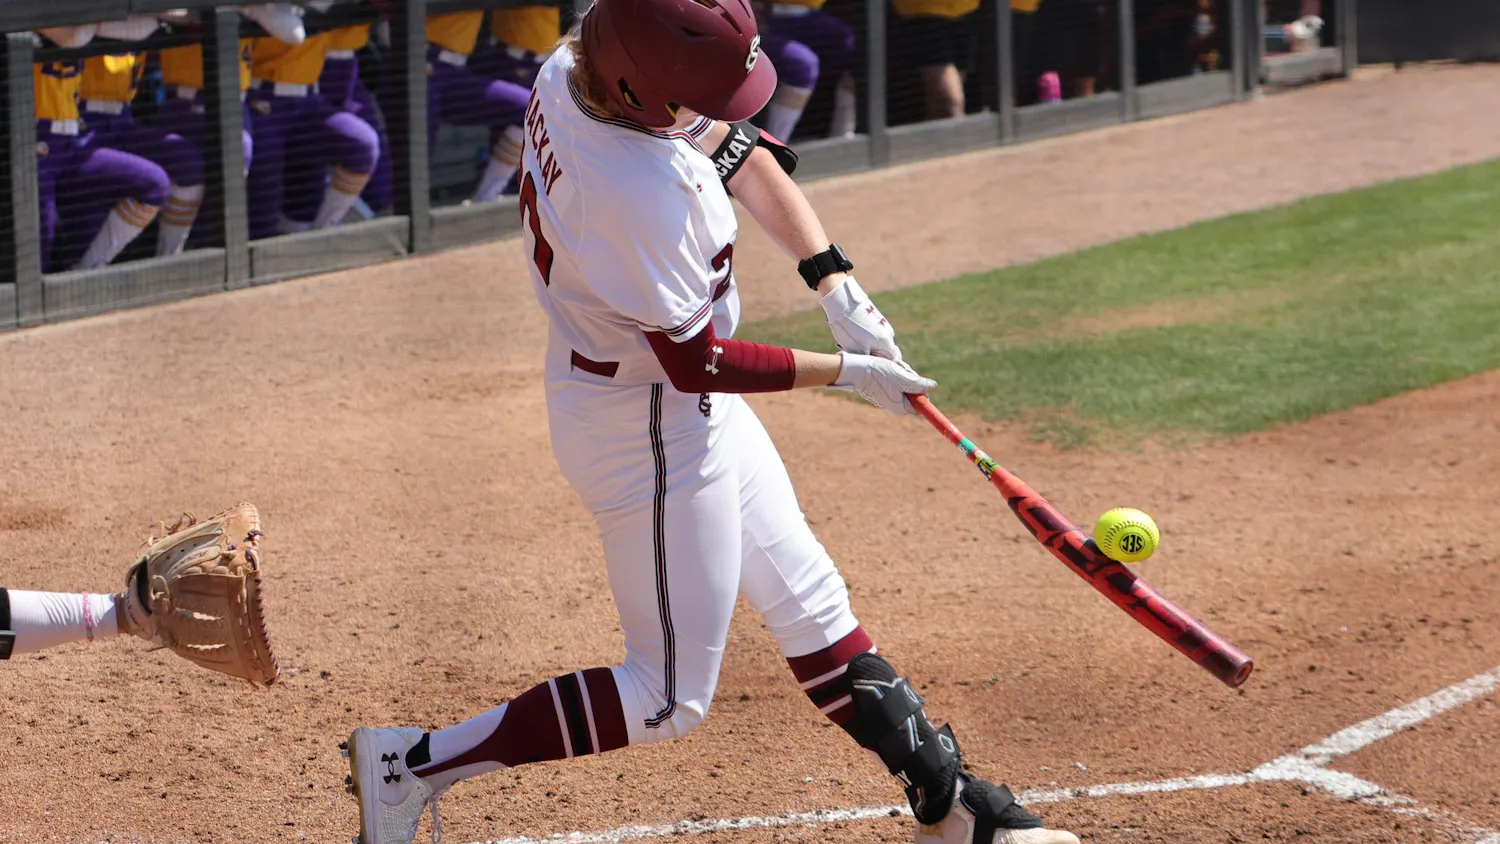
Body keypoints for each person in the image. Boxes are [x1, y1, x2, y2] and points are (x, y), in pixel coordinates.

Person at [339, 2, 1079, 844]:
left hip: (665, 398)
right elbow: (701, 362)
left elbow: (736, 150)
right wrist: (847, 371)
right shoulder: (633, 193)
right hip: (645, 425)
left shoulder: (582, 63)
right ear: (646, 89)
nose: (728, 108)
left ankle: (950, 809)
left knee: (811, 602)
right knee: (665, 698)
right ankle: (407, 767)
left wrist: (836, 284)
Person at [34, 26, 168, 273]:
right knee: (40, 246)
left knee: (154, 183)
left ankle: (86, 276)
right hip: (34, 143)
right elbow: (75, 35)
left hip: (72, 143)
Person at [73, 18, 207, 258]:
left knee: (187, 162)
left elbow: (187, 13)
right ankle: (87, 272)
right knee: (83, 233)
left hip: (122, 121)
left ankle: (170, 258)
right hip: (77, 123)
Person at [247, 26, 381, 237]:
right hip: (261, 97)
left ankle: (323, 232)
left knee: (362, 145)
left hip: (310, 99)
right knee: (262, 216)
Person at [414, 11, 530, 203]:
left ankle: (486, 198)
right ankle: (376, 223)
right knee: (415, 154)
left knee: (528, 109)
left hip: (455, 72)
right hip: (419, 63)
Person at [758, 0, 858, 139]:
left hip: (807, 14)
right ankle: (772, 147)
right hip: (765, 15)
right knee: (802, 63)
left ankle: (843, 136)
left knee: (850, 45)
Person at [892, 0, 980, 120]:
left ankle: (934, 137)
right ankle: (956, 137)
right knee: (951, 102)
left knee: (938, 104)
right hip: (923, 14)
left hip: (965, 11)